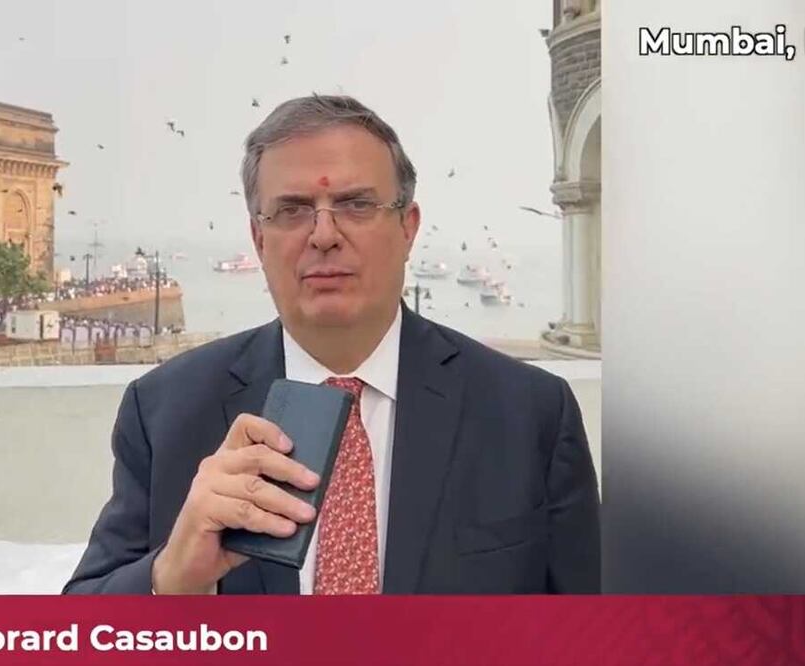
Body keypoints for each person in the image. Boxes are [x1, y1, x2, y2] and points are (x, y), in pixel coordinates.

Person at [64, 95, 600, 595]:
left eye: (356, 204)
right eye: (293, 210)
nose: (323, 234)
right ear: (258, 239)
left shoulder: (529, 415)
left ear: (408, 228)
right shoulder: (165, 412)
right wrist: (170, 578)